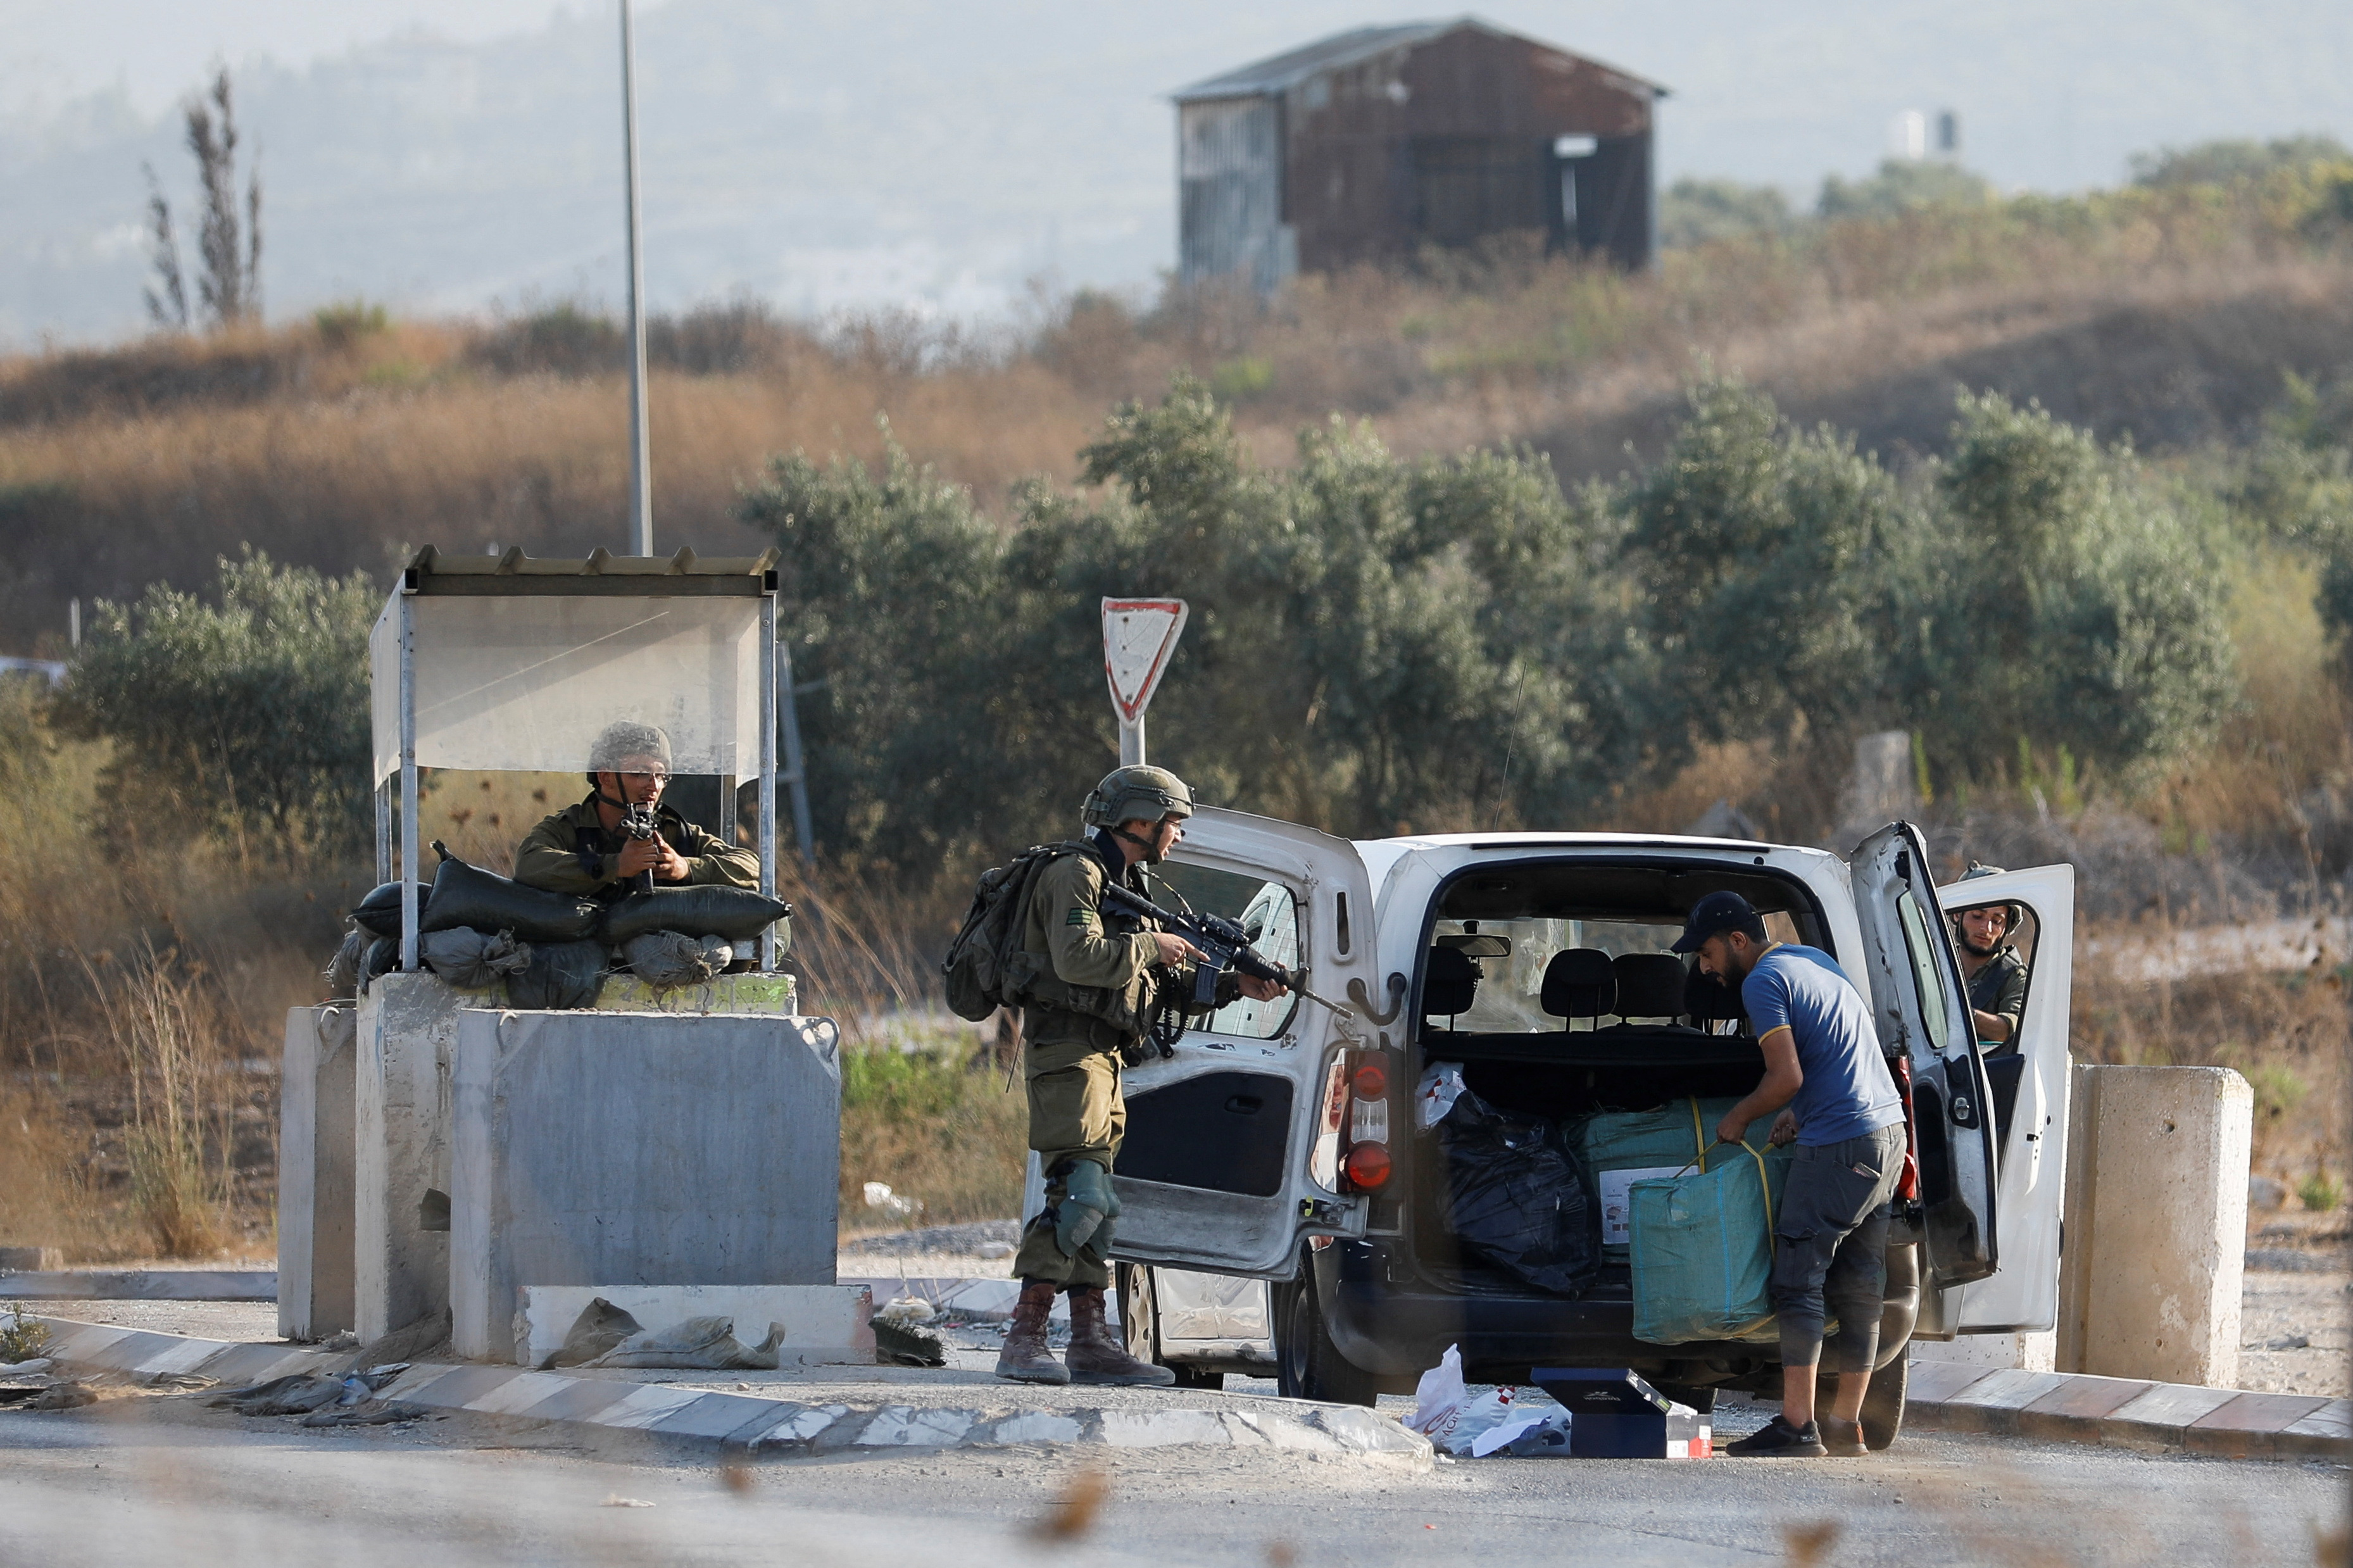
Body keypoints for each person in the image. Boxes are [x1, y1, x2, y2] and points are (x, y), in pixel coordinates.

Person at [995, 764, 1284, 1387]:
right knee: (1081, 1192)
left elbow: (1149, 982)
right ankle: (1025, 1335)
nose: (1177, 836)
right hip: (1068, 1054)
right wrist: (1156, 945)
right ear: (1141, 819)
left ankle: (1091, 1341)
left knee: (1098, 1201)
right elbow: (1078, 958)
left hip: (1105, 1057)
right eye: (1174, 824)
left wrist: (1236, 983)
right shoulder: (1075, 874)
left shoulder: (1124, 883)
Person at [1675, 889, 1907, 1458]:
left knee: (1797, 1279)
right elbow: (1839, 1054)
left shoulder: (1760, 981)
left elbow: (1785, 1076)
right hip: (1889, 1136)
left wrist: (1738, 1117)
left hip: (1839, 1145)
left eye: (1705, 953)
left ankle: (1795, 1425)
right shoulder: (1815, 962)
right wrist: (1796, 1114)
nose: (1703, 967)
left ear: (1736, 940)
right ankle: (1844, 1426)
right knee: (1860, 1287)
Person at [513, 721, 758, 900]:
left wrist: (685, 867)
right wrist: (614, 866)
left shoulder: (674, 830)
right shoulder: (570, 827)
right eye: (640, 774)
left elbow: (751, 867)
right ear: (606, 776)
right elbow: (530, 864)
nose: (654, 785)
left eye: (662, 775)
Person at [1950, 862, 2028, 1050]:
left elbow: (2009, 1030)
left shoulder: (2014, 975)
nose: (1987, 929)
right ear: (1958, 916)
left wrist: (1959, 1013)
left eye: (1997, 921)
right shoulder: (1933, 964)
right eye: (1977, 916)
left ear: (2007, 927)